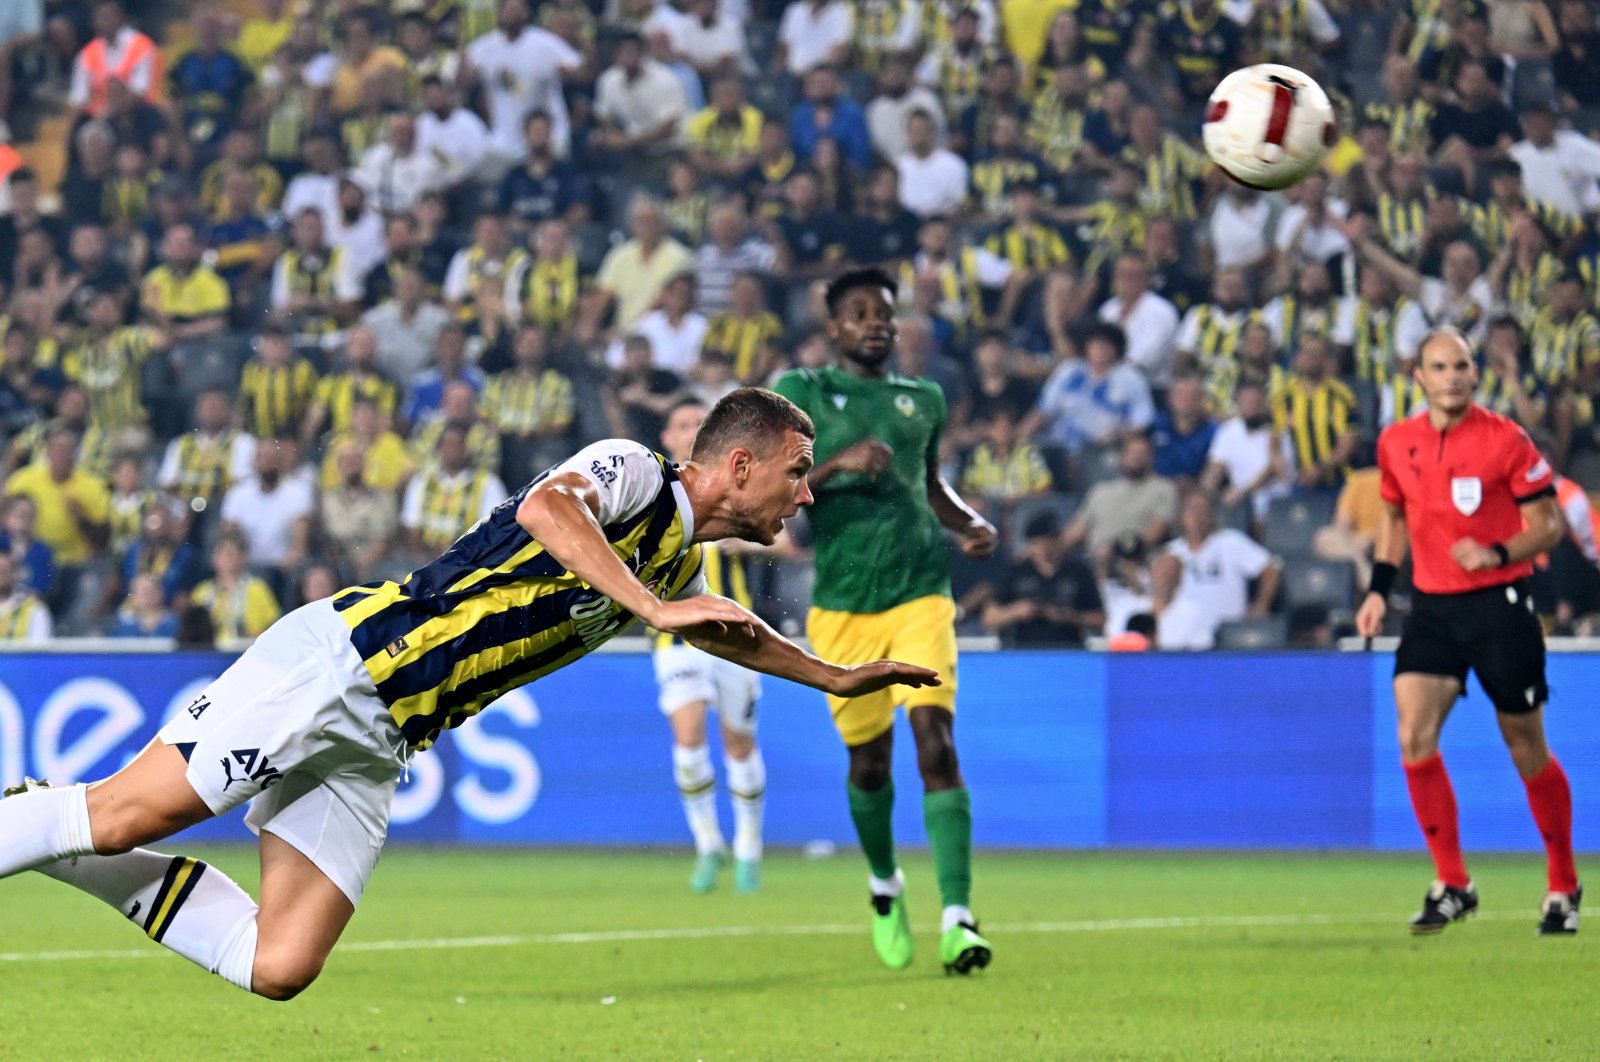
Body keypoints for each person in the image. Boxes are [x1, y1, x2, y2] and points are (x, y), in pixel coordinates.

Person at [0, 387, 938, 1000]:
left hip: (382, 741)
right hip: (345, 665)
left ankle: (46, 829)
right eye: (799, 470)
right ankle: (55, 824)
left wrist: (835, 675)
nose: (807, 494)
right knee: (125, 816)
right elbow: (545, 509)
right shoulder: (637, 471)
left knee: (278, 965)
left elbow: (729, 627)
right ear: (742, 465)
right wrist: (651, 606)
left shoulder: (679, 556)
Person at [773, 268, 998, 976]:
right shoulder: (800, 393)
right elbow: (775, 489)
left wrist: (967, 523)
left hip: (921, 593)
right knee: (869, 765)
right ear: (833, 326)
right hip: (841, 607)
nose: (878, 323)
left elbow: (928, 485)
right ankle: (883, 884)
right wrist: (839, 463)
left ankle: (959, 919)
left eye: (886, 314)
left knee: (935, 740)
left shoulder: (922, 398)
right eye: (861, 313)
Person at [1355, 328, 1580, 936]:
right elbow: (1394, 518)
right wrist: (1378, 589)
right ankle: (1453, 882)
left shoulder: (1505, 439)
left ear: (1474, 373)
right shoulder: (1396, 443)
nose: (1452, 376)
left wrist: (1498, 550)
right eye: (1439, 366)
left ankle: (1563, 883)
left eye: (1461, 366)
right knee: (1412, 733)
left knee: (1525, 746)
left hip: (1499, 607)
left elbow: (1550, 525)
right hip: (1431, 609)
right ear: (1418, 377)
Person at [650, 399, 768, 894]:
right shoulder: (650, 494)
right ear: (666, 437)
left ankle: (748, 847)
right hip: (675, 633)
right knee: (689, 732)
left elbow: (781, 538)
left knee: (738, 741)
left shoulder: (736, 488)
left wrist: (750, 540)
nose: (691, 429)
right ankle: (707, 843)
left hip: (734, 630)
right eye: (682, 422)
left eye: (699, 422)